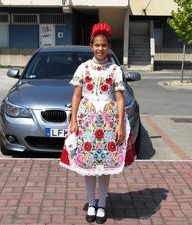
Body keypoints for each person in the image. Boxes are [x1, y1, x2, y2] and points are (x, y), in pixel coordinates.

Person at [59, 22, 131, 224]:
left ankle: (102, 205)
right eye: (97, 45)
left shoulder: (115, 70)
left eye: (104, 45)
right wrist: (73, 120)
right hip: (87, 122)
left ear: (109, 47)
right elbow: (76, 96)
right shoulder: (83, 68)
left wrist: (120, 125)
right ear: (92, 45)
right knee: (89, 164)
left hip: (108, 123)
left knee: (105, 165)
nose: (100, 49)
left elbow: (119, 99)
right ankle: (91, 203)